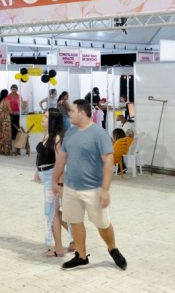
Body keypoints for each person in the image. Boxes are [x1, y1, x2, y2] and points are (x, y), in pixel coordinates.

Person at [52, 100, 127, 271]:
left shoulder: (98, 134)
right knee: (75, 222)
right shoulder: (70, 134)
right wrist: (55, 180)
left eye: (72, 111)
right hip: (71, 188)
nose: (69, 114)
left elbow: (108, 163)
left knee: (102, 223)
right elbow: (62, 158)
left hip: (94, 189)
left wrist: (105, 190)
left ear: (82, 112)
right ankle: (81, 255)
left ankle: (112, 248)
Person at [34, 108, 75, 257]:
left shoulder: (57, 138)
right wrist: (37, 171)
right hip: (45, 175)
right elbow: (42, 155)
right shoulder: (47, 135)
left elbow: (61, 162)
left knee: (52, 214)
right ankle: (75, 238)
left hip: (53, 177)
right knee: (55, 213)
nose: (42, 119)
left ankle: (58, 248)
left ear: (52, 120)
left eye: (46, 117)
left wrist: (57, 182)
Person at [7, 85, 27, 155]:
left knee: (17, 131)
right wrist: (11, 113)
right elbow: (8, 106)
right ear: (10, 89)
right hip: (11, 115)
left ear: (17, 89)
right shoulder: (9, 96)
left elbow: (22, 105)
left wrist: (24, 106)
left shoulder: (19, 96)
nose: (13, 90)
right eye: (12, 89)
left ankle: (17, 148)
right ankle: (12, 149)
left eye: (15, 89)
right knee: (12, 131)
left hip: (18, 115)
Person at [0, 89, 13, 155]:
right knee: (6, 134)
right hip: (6, 118)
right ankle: (6, 150)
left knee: (0, 133)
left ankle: (0, 150)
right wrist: (13, 113)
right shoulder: (7, 101)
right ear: (6, 94)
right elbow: (10, 111)